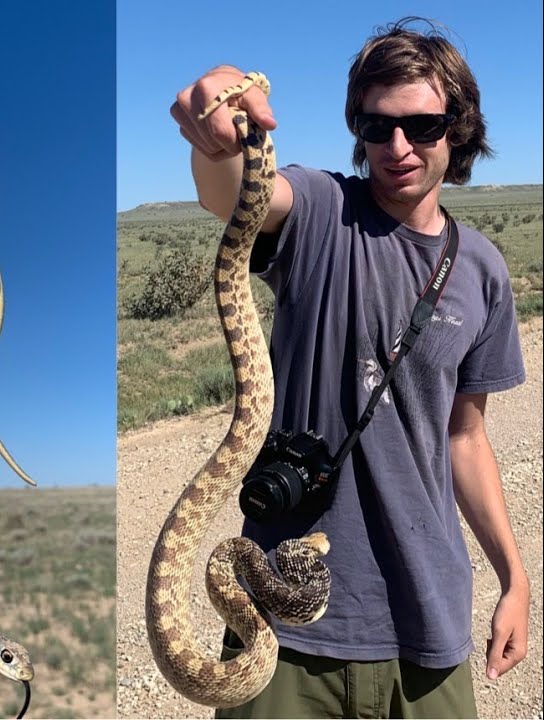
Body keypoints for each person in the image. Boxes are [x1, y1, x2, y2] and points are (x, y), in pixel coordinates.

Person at [170, 17, 529, 718]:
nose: (398, 147)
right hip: (284, 627)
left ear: (458, 129)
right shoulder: (325, 212)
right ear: (358, 132)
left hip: (427, 627)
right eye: (376, 126)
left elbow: (465, 438)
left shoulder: (483, 270)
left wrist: (514, 578)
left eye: (423, 127)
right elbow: (235, 193)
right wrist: (215, 127)